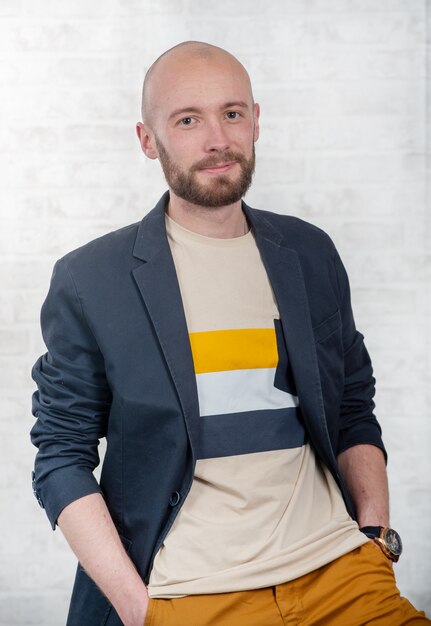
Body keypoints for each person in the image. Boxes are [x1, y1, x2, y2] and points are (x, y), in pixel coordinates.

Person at [31, 41, 429, 626]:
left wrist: (375, 539)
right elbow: (60, 457)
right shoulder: (92, 279)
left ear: (256, 121)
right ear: (148, 140)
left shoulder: (309, 252)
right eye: (187, 119)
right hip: (191, 594)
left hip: (341, 573)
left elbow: (352, 410)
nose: (217, 138)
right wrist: (139, 610)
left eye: (232, 113)